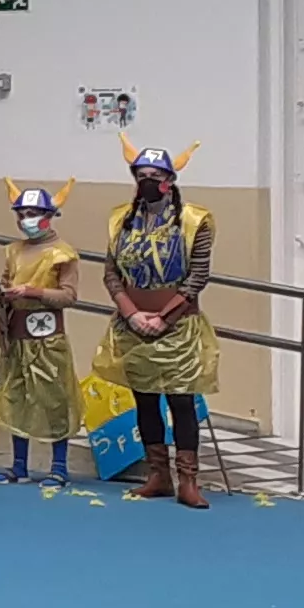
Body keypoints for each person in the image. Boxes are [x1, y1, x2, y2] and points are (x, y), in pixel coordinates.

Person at [97, 142, 219, 509]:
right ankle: (158, 475)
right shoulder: (121, 219)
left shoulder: (196, 220)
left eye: (156, 176)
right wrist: (132, 313)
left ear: (170, 180)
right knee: (144, 401)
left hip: (178, 325)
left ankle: (189, 480)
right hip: (133, 323)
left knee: (181, 400)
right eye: (142, 176)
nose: (148, 182)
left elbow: (198, 275)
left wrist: (165, 317)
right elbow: (111, 274)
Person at [0, 183, 84, 484]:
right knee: (17, 397)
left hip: (47, 337)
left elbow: (69, 296)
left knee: (54, 399)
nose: (26, 220)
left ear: (49, 215)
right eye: (22, 214)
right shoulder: (14, 250)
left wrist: (33, 291)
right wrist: (4, 294)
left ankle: (59, 466)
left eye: (33, 214)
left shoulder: (62, 254)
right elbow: (6, 281)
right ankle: (19, 465)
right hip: (17, 335)